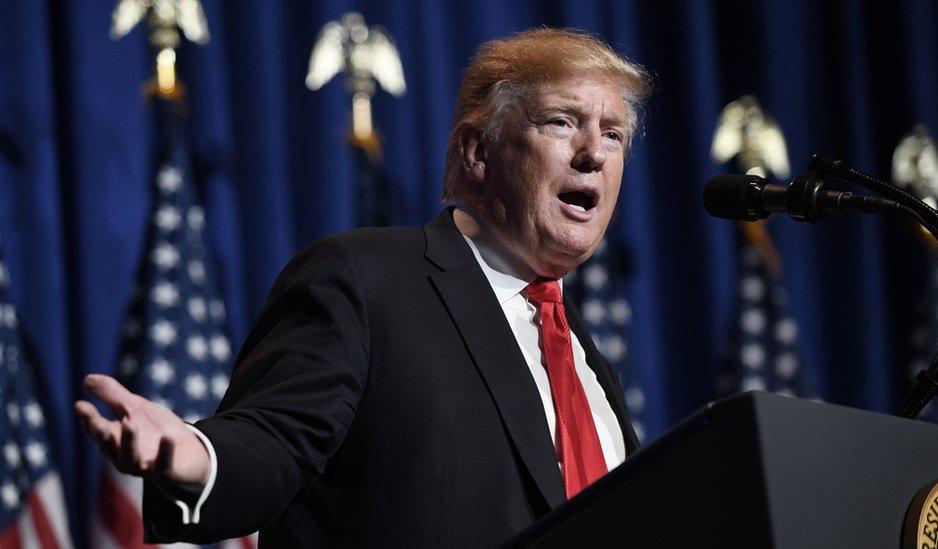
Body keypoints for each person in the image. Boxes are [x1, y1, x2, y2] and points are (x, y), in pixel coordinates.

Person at [75, 28, 653, 547]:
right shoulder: (365, 280)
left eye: (614, 135)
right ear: (478, 152)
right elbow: (276, 440)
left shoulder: (584, 359)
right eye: (561, 122)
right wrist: (199, 459)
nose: (593, 154)